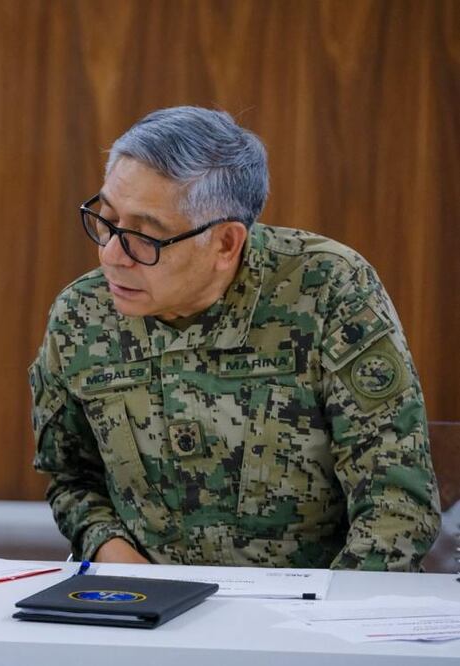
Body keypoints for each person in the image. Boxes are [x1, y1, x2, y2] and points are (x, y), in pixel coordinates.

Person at [31, 106, 440, 571]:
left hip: (314, 610)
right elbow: (72, 478)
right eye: (105, 219)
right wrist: (114, 554)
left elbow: (395, 502)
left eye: (145, 237)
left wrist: (321, 627)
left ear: (225, 243)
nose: (110, 254)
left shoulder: (327, 290)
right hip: (149, 609)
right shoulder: (82, 314)